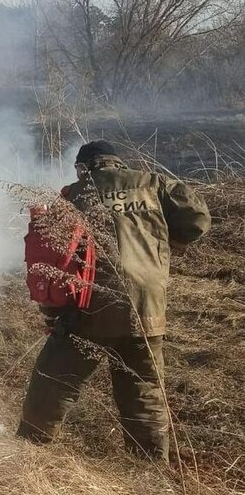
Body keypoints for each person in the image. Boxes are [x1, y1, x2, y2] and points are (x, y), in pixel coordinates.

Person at [18, 140, 211, 462]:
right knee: (143, 389)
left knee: (51, 383)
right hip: (147, 307)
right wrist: (168, 243)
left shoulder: (72, 197)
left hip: (87, 311)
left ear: (83, 168)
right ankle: (149, 469)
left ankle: (27, 456)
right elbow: (197, 219)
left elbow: (51, 261)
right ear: (118, 163)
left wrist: (52, 312)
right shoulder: (153, 184)